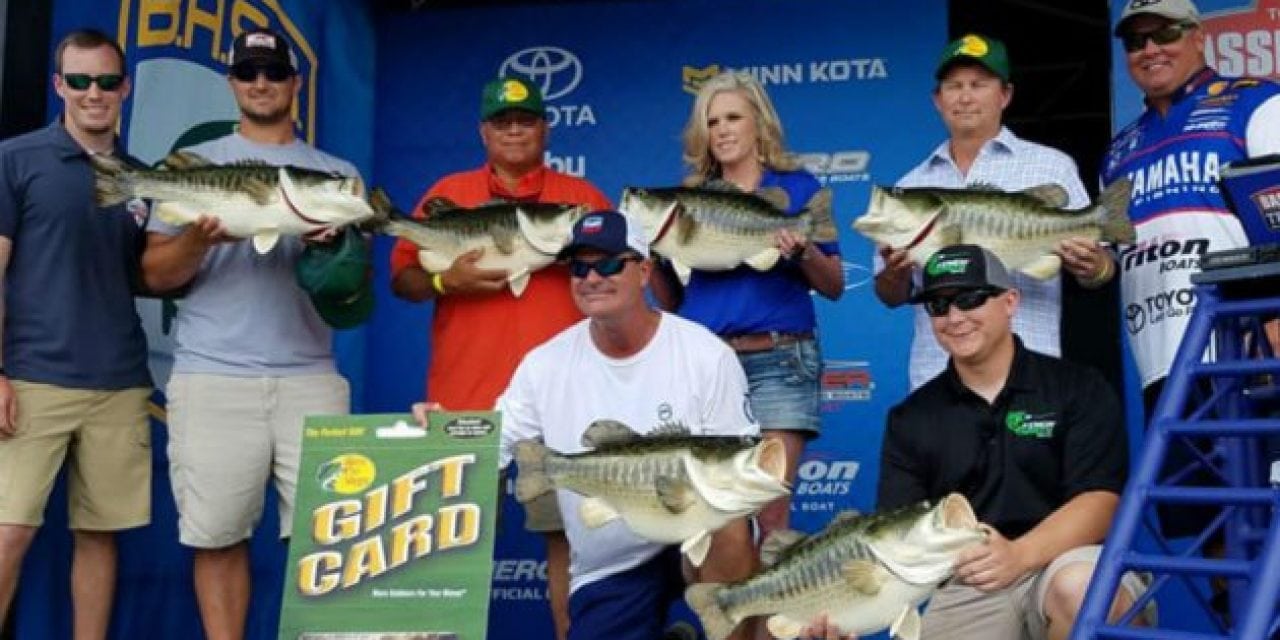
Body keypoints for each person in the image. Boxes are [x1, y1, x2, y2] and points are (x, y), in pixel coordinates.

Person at [140, 28, 356, 640]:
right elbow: (154, 274)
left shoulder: (337, 175)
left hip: (310, 376)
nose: (261, 83)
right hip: (212, 375)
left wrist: (336, 253)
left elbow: (353, 298)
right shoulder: (197, 169)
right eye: (248, 73)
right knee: (217, 534)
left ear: (294, 81)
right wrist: (197, 238)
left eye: (272, 72)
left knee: (332, 536)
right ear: (233, 83)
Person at [389, 75, 610, 640]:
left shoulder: (582, 199)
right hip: (465, 398)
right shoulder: (450, 191)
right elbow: (404, 279)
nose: (514, 130)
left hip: (563, 405)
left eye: (526, 119)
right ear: (484, 131)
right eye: (502, 121)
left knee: (571, 546)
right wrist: (445, 279)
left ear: (545, 127)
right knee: (447, 546)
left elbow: (624, 280)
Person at [492, 210, 757, 640]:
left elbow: (737, 469)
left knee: (727, 523)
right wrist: (434, 431)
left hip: (694, 537)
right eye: (580, 267)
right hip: (610, 562)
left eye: (610, 263)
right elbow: (492, 442)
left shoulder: (706, 354)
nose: (592, 277)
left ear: (645, 271)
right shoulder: (544, 365)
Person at [873, 244, 1146, 640]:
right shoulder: (911, 417)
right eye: (938, 305)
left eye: (970, 299)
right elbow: (898, 533)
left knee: (1082, 590)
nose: (954, 317)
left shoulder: (1077, 387)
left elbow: (1101, 501)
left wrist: (1018, 555)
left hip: (1068, 559)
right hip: (973, 578)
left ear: (1010, 301)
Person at [0, 29, 152, 639]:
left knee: (100, 535)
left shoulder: (143, 177)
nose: (95, 93)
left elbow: (155, 273)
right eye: (81, 81)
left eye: (107, 81)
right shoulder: (16, 158)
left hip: (120, 379)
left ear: (125, 88)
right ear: (58, 85)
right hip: (33, 378)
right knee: (9, 531)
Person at [655, 71, 844, 538]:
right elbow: (673, 302)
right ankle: (726, 614)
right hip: (706, 363)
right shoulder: (686, 200)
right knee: (711, 515)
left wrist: (802, 251)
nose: (722, 129)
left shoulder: (799, 188)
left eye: (733, 117)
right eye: (712, 121)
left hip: (780, 360)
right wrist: (655, 256)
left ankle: (766, 614)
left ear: (758, 123)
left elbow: (835, 285)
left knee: (770, 512)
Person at [875, 33, 1110, 391]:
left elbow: (1100, 269)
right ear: (937, 100)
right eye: (954, 86)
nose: (965, 97)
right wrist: (893, 276)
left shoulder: (1051, 167)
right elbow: (889, 295)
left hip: (1031, 368)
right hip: (938, 375)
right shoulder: (911, 186)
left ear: (1005, 95)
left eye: (978, 84)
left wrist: (1094, 266)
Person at [1102, 0, 1280, 421]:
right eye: (1135, 41)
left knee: (1262, 484)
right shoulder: (1116, 154)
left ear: (1198, 37)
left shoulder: (1257, 103)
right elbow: (1112, 256)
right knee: (1185, 487)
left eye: (1165, 34)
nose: (1150, 49)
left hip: (1251, 350)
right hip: (1163, 366)